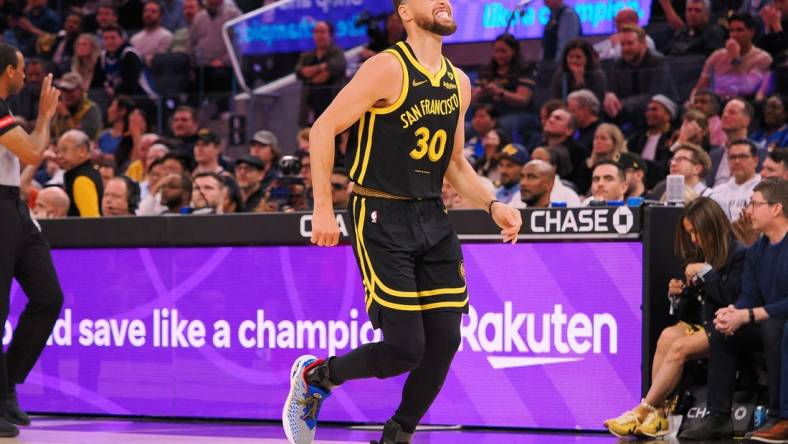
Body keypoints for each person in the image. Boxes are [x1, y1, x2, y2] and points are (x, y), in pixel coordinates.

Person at [282, 1, 522, 444]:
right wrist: (321, 208)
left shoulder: (459, 83)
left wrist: (492, 205)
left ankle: (397, 435)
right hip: (380, 213)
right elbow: (322, 129)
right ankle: (317, 377)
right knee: (405, 350)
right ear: (407, 12)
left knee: (445, 340)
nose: (445, 2)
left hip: (432, 213)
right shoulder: (386, 68)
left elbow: (453, 163)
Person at [605, 197, 746, 438]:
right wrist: (679, 294)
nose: (693, 239)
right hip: (702, 323)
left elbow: (729, 295)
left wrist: (706, 273)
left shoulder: (739, 255)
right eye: (690, 233)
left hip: (730, 325)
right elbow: (694, 305)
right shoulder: (700, 253)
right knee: (667, 336)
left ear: (710, 226)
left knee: (679, 348)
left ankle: (642, 410)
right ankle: (659, 414)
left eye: (696, 233)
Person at [680, 179, 788, 440]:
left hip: (779, 321)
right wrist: (733, 313)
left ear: (776, 208)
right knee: (723, 330)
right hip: (765, 319)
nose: (748, 210)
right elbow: (748, 296)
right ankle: (718, 416)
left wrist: (749, 314)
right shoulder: (756, 251)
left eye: (754, 203)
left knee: (775, 327)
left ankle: (780, 416)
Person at [0, 43, 64, 437]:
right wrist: (44, 116)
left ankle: (6, 383)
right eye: (22, 70)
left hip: (14, 205)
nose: (26, 76)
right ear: (7, 71)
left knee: (48, 296)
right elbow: (34, 152)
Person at [692, 12, 772, 100]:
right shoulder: (717, 55)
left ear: (751, 32)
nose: (734, 35)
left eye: (739, 30)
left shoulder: (763, 58)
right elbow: (699, 87)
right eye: (731, 30)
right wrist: (692, 101)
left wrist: (735, 60)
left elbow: (747, 89)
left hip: (742, 104)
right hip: (715, 103)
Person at [471, 33, 537, 141]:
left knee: (503, 125)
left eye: (503, 51)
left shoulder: (525, 70)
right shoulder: (486, 71)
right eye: (496, 51)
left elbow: (523, 99)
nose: (499, 55)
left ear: (514, 51)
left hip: (519, 114)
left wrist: (499, 92)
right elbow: (472, 100)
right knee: (467, 128)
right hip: (489, 114)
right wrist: (479, 93)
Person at [295, 21, 347, 126]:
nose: (319, 35)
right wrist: (321, 67)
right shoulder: (307, 56)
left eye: (323, 32)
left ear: (330, 35)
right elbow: (300, 72)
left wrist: (310, 74)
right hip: (310, 107)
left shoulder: (337, 53)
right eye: (316, 32)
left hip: (332, 106)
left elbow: (324, 76)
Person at [55, 129, 103, 217]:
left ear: (82, 151)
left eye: (64, 150)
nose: (60, 156)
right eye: (58, 151)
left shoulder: (82, 180)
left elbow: (91, 220)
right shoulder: (87, 173)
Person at [711, 139, 762, 221]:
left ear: (755, 161)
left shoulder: (765, 188)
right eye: (732, 157)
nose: (737, 161)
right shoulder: (717, 192)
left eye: (742, 156)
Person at [593, 8, 657, 60]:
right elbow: (594, 49)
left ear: (633, 22)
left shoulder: (646, 40)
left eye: (619, 22)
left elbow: (610, 57)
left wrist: (612, 45)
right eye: (616, 22)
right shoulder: (616, 37)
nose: (616, 25)